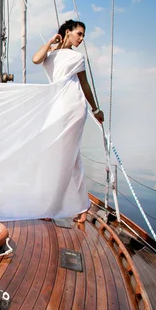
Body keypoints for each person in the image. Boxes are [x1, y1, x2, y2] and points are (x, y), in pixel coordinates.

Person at [32, 19, 103, 223]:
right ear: (67, 32)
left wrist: (95, 108)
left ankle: (52, 208)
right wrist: (52, 42)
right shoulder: (50, 54)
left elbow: (85, 85)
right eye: (79, 33)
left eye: (83, 35)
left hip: (73, 107)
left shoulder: (76, 57)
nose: (81, 39)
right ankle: (83, 206)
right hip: (55, 107)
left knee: (65, 155)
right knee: (68, 156)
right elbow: (37, 59)